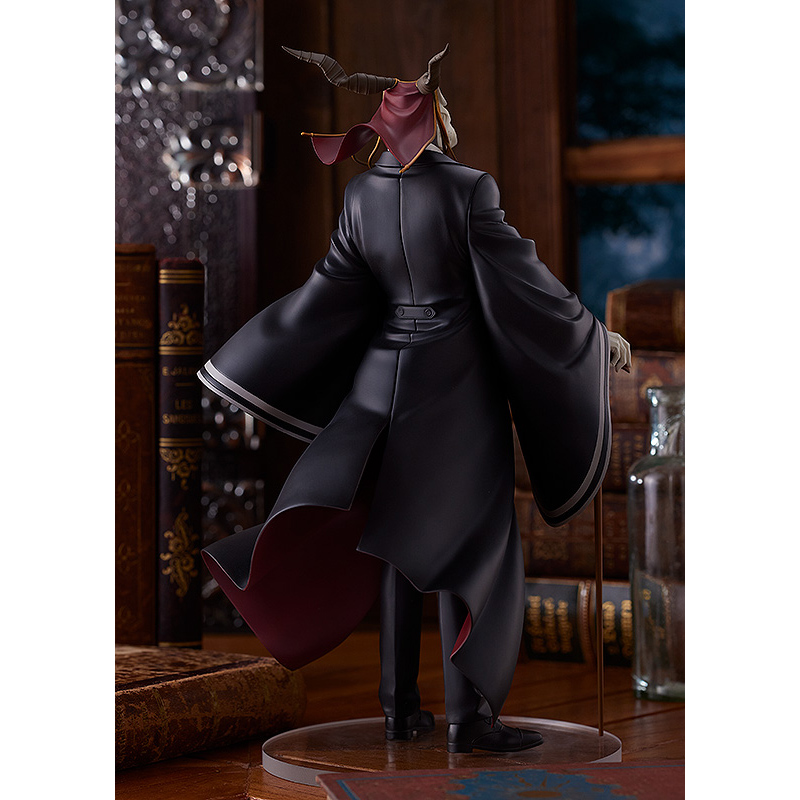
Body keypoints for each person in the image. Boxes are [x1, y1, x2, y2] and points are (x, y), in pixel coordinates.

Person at [199, 46, 632, 754]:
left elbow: (327, 290)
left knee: (395, 539)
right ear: (433, 120)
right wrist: (592, 334)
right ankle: (472, 718)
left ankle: (399, 708)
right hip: (454, 386)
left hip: (379, 380)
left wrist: (246, 356)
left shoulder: (360, 195)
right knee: (477, 542)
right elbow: (524, 277)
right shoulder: (468, 189)